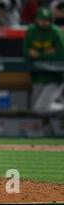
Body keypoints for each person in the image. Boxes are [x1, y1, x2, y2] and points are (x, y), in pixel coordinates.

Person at [23, 8, 64, 136]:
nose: (43, 23)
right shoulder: (30, 31)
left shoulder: (56, 32)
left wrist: (39, 55)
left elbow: (61, 55)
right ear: (36, 19)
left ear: (50, 20)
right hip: (37, 77)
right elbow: (26, 53)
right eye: (41, 20)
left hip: (54, 78)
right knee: (44, 113)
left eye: (46, 20)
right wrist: (48, 53)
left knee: (41, 109)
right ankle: (51, 136)